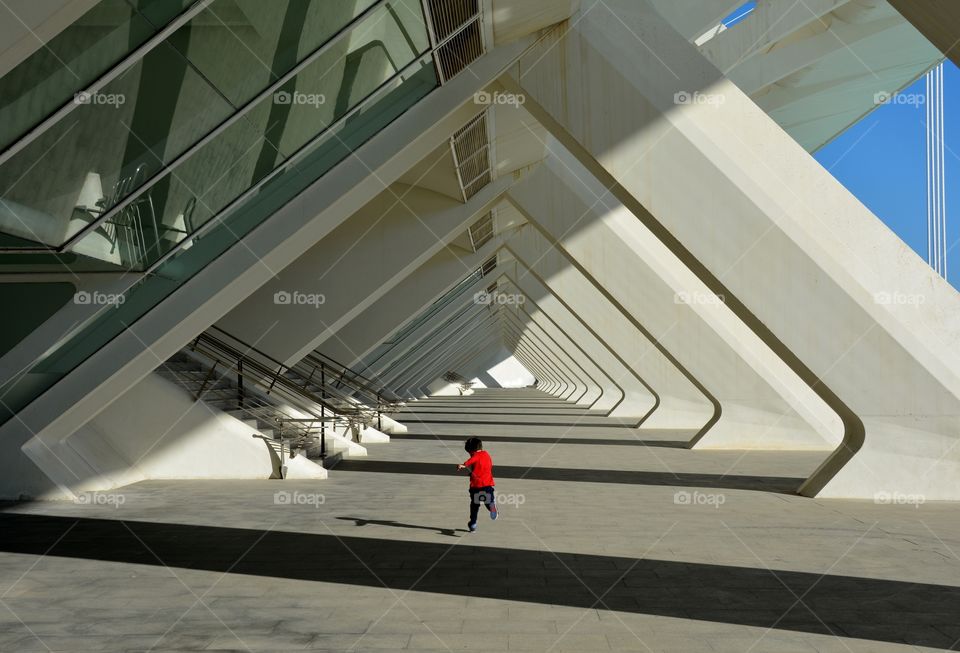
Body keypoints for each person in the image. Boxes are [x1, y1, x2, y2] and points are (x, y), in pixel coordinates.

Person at [456, 437, 497, 532]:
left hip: (475, 486)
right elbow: (487, 466)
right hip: (487, 485)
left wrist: (463, 465)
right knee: (488, 500)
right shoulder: (486, 454)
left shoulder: (475, 455)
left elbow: (473, 459)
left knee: (475, 505)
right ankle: (492, 507)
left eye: (469, 452)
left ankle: (473, 523)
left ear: (472, 450)